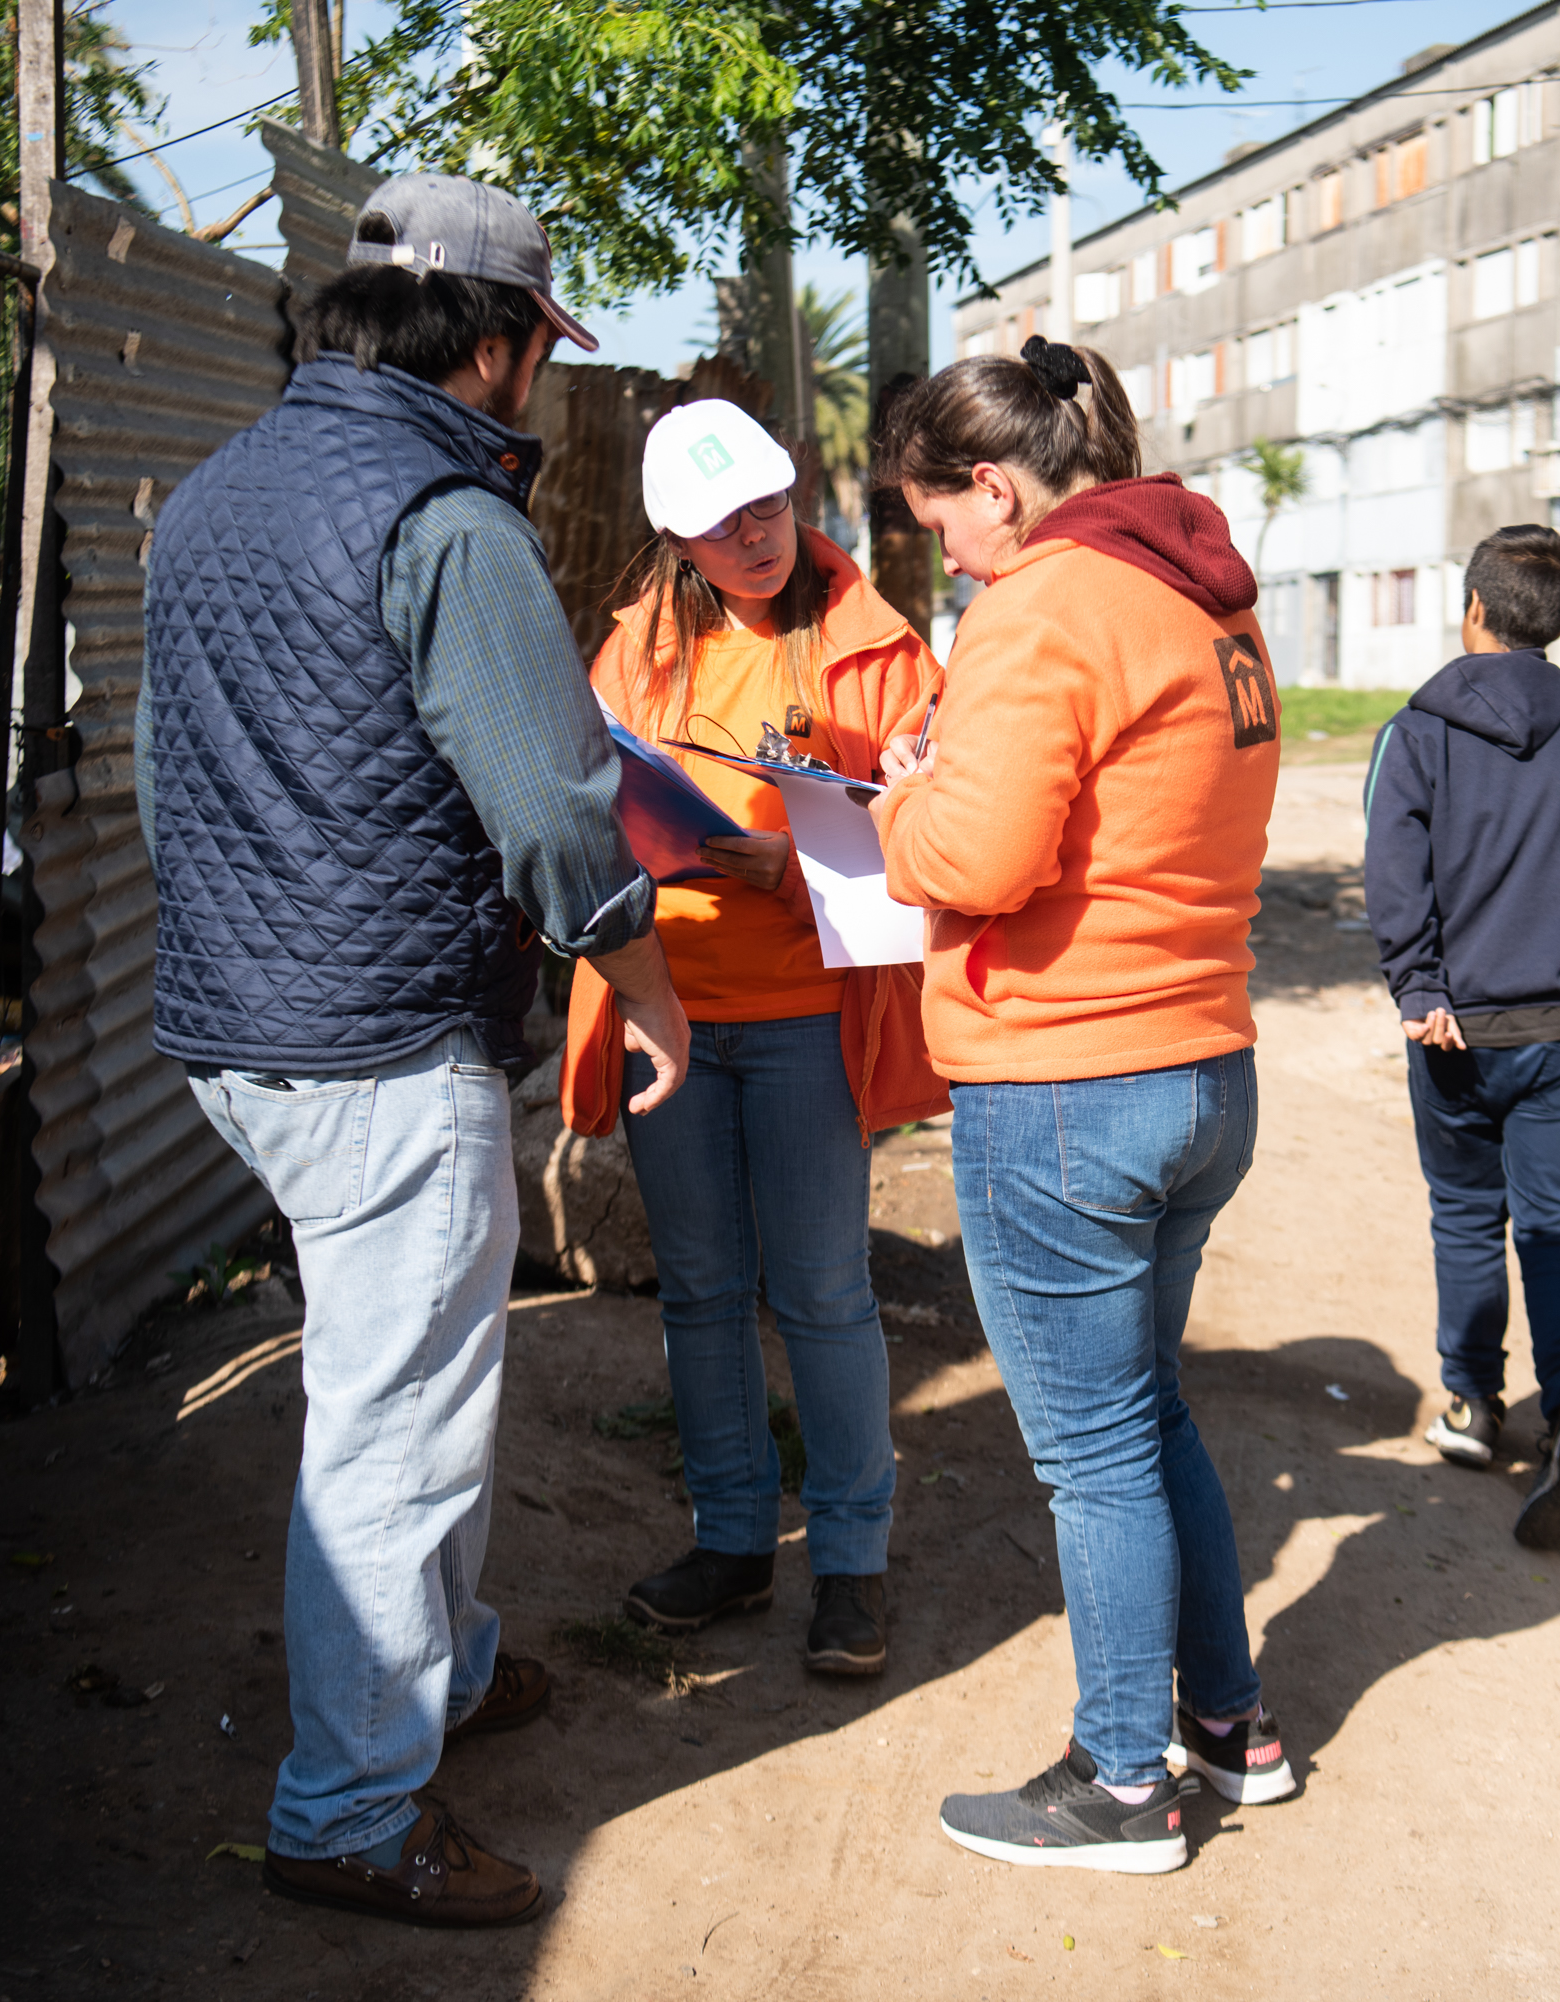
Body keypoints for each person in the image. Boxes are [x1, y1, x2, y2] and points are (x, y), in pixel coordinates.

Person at [138, 174, 692, 1927]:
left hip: (242, 1025)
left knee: (410, 1375)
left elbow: (169, 775)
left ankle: (440, 1670)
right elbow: (550, 801)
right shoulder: (450, 518)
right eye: (541, 342)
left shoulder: (221, 492)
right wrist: (643, 977)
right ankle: (355, 1808)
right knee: (397, 1420)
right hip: (381, 1040)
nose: (539, 378)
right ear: (502, 340)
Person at [870, 336, 1291, 1874]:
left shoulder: (1042, 600)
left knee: (1095, 1450)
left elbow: (975, 861)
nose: (950, 562)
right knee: (1143, 1407)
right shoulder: (1209, 590)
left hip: (1064, 1080)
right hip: (1199, 1058)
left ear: (994, 485)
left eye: (943, 529)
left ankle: (1124, 1779)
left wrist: (901, 796)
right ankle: (1231, 1726)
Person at [558, 398, 947, 1676]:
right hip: (663, 1011)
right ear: (677, 539)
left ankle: (851, 1565)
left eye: (770, 506)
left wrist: (792, 861)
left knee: (825, 1291)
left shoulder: (881, 650)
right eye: (725, 526)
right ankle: (731, 1540)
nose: (758, 537)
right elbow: (582, 797)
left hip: (802, 1016)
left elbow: (938, 827)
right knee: (704, 1292)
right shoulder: (631, 653)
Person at [1362, 525, 1560, 1551]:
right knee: (1558, 1216)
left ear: (1473, 611)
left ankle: (1472, 1404)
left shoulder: (1417, 733)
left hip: (1455, 1027)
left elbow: (1393, 871)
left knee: (1466, 1212)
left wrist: (1417, 983)